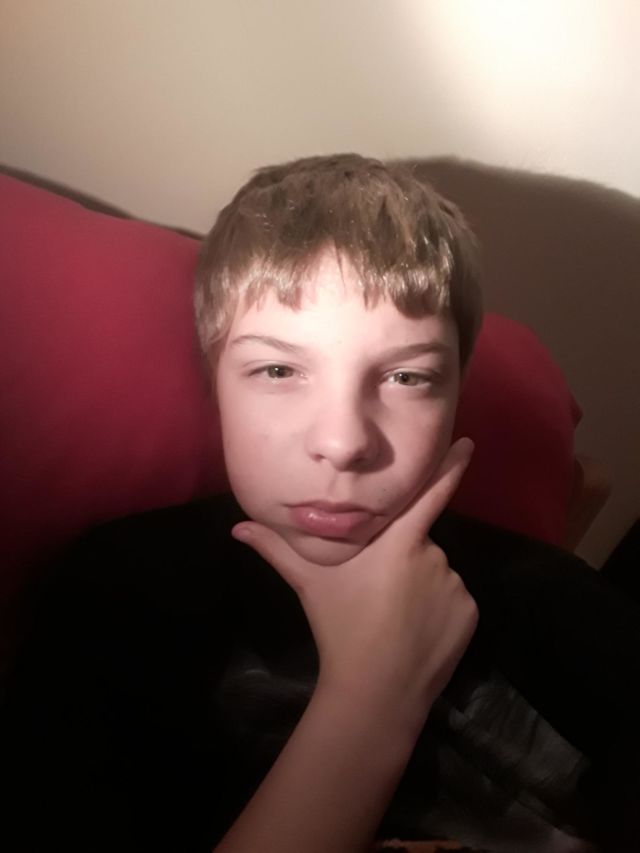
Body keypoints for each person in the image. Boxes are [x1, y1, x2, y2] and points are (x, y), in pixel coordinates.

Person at [1, 154, 638, 853]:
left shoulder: (556, 603)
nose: (343, 442)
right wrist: (377, 693)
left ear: (457, 394)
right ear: (215, 381)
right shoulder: (117, 595)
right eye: (278, 369)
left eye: (407, 377)